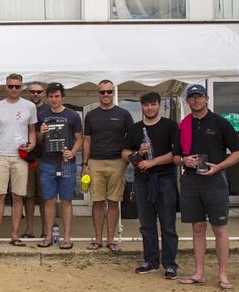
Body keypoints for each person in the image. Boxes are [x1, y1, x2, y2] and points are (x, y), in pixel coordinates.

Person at [173, 85, 239, 290]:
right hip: (191, 181)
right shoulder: (183, 125)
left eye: (199, 97)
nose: (196, 101)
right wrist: (184, 161)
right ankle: (199, 273)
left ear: (207, 98)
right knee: (197, 228)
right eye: (192, 97)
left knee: (220, 228)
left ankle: (223, 275)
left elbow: (238, 153)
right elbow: (176, 156)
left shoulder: (220, 122)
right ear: (187, 101)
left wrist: (219, 167)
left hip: (215, 181)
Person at [122, 91, 179, 279]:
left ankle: (170, 264)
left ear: (159, 105)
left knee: (168, 224)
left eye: (153, 104)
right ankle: (150, 261)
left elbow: (175, 154)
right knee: (146, 224)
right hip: (143, 180)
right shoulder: (135, 128)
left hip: (165, 178)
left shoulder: (170, 126)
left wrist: (153, 162)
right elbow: (125, 153)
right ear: (142, 106)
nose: (150, 108)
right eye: (146, 105)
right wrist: (138, 154)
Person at [82, 80, 133, 252]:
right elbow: (87, 140)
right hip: (95, 162)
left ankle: (111, 240)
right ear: (98, 93)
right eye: (102, 92)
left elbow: (132, 138)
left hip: (117, 162)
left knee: (113, 202)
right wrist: (84, 163)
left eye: (109, 92)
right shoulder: (91, 115)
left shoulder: (124, 114)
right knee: (97, 202)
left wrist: (127, 157)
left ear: (113, 93)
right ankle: (97, 239)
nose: (106, 95)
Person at [0, 73, 37, 247]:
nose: (14, 89)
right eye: (11, 86)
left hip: (20, 156)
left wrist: (32, 145)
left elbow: (32, 130)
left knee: (18, 196)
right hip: (0, 154)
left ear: (22, 87)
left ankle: (15, 234)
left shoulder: (30, 106)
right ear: (5, 87)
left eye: (17, 86)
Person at [35, 83, 82, 250]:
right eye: (51, 96)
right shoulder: (42, 114)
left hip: (66, 163)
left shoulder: (72, 115)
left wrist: (72, 151)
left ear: (63, 97)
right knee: (48, 200)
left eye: (57, 96)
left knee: (66, 201)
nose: (54, 100)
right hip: (47, 163)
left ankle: (67, 238)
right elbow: (38, 140)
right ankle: (48, 236)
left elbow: (79, 138)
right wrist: (41, 131)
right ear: (47, 98)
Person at [25, 81, 47, 239]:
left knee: (45, 196)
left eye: (38, 91)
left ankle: (46, 230)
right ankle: (29, 229)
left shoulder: (49, 110)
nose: (35, 94)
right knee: (28, 196)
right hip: (26, 158)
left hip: (46, 158)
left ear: (43, 93)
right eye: (32, 91)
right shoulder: (23, 107)